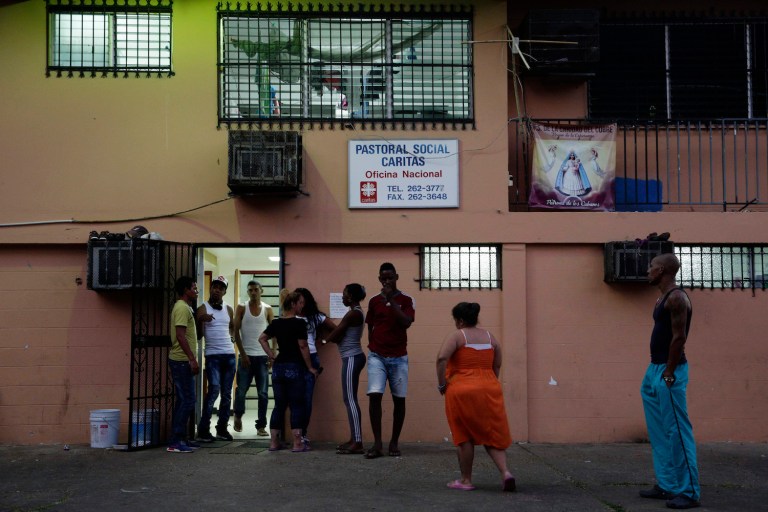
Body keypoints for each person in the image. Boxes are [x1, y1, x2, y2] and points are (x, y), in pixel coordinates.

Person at [640, 254, 701, 509]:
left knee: (677, 431)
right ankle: (668, 485)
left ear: (662, 270)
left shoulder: (677, 298)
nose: (647, 271)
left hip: (669, 371)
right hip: (654, 369)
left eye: (651, 267)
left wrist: (669, 372)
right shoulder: (662, 297)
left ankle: (689, 492)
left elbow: (679, 338)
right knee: (660, 432)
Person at [436, 302, 515, 492]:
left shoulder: (458, 336)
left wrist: (442, 383)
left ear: (460, 320)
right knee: (491, 433)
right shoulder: (490, 337)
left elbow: (441, 359)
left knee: (464, 436)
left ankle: (466, 480)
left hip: (462, 389)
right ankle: (506, 473)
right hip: (489, 388)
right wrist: (487, 383)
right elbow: (497, 365)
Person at [364, 262, 415, 459]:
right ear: (379, 279)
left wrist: (391, 300)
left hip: (399, 357)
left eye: (390, 278)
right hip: (377, 355)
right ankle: (377, 444)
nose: (387, 281)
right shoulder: (374, 301)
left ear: (396, 277)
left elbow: (406, 322)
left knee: (399, 399)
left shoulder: (407, 300)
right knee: (374, 395)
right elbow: (370, 326)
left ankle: (394, 442)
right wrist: (372, 344)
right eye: (383, 278)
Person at [259, 291, 319, 452]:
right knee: (296, 404)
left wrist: (272, 355)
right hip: (294, 367)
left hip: (279, 368)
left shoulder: (276, 323)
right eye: (300, 303)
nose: (301, 306)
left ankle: (273, 442)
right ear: (293, 304)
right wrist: (310, 367)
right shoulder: (299, 324)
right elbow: (303, 346)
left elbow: (262, 338)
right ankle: (298, 443)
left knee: (279, 405)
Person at [325, 283, 367, 454]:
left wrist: (323, 339)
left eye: (344, 294)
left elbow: (335, 336)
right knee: (349, 399)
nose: (342, 297)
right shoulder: (354, 312)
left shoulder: (353, 313)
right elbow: (339, 332)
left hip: (352, 358)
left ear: (350, 296)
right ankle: (354, 438)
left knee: (350, 399)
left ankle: (358, 442)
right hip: (351, 358)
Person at [195, 276, 236, 443]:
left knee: (227, 394)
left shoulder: (229, 309)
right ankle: (204, 429)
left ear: (225, 291)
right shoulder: (202, 308)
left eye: (221, 288)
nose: (217, 290)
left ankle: (222, 429)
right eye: (215, 287)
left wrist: (232, 339)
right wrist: (200, 320)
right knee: (214, 390)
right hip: (212, 355)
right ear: (211, 289)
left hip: (229, 355)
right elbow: (198, 335)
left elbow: (232, 326)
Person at [295, 287, 336, 448]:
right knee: (294, 399)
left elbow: (336, 328)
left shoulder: (315, 317)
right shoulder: (291, 317)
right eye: (298, 301)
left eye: (303, 301)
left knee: (306, 398)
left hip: (311, 357)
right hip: (293, 359)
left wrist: (323, 341)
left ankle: (303, 434)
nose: (300, 304)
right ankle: (296, 434)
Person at [233, 280, 273, 437]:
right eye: (250, 290)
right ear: (248, 292)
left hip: (262, 357)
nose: (253, 292)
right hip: (246, 356)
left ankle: (261, 426)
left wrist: (272, 354)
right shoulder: (242, 308)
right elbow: (235, 332)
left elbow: (273, 332)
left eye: (256, 289)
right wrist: (242, 354)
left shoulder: (268, 309)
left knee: (263, 393)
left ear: (261, 290)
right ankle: (238, 415)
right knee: (241, 390)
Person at [167, 276, 200, 453]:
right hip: (181, 361)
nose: (196, 290)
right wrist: (191, 359)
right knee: (188, 400)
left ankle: (180, 438)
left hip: (182, 360)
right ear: (186, 290)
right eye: (194, 288)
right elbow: (180, 336)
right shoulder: (181, 307)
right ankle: (176, 441)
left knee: (183, 400)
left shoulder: (185, 307)